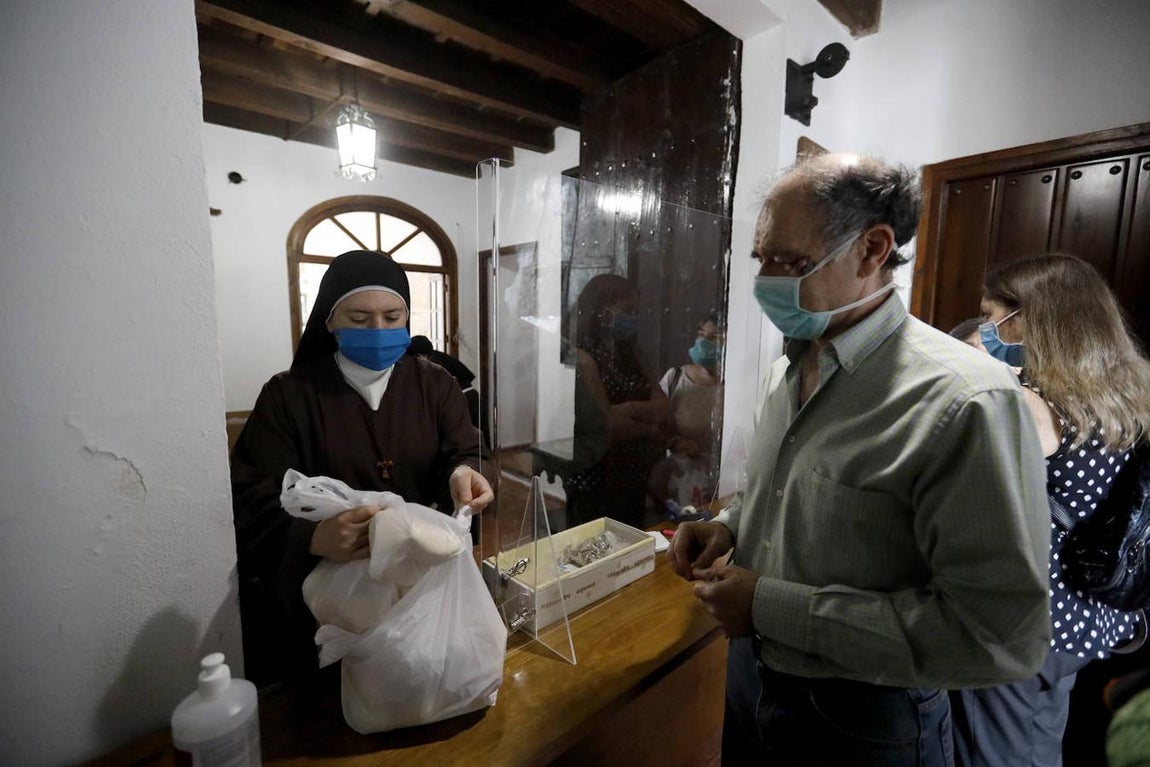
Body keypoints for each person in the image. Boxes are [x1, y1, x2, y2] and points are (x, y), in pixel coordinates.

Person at [668, 153, 1052, 766]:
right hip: (751, 675)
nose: (766, 279)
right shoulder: (786, 371)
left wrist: (768, 605)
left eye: (789, 262)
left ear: (873, 250)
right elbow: (782, 493)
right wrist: (728, 528)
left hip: (864, 714)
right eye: (760, 258)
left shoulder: (963, 400)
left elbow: (999, 636)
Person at [231, 250, 494, 687]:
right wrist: (312, 536)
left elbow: (466, 451)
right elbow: (248, 493)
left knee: (423, 680)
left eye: (393, 317)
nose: (379, 330)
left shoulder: (435, 384)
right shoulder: (289, 395)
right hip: (327, 593)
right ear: (329, 321)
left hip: (420, 578)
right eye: (359, 318)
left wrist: (462, 472)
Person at [948, 254, 1150, 767]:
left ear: (1028, 318)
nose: (988, 327)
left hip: (1027, 619)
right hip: (1087, 613)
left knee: (993, 755)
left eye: (992, 315)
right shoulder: (1124, 394)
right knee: (1039, 743)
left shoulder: (1032, 405)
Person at [564, 273, 668, 529]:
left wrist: (626, 411)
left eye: (636, 310)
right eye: (628, 310)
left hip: (634, 471)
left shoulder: (632, 353)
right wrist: (649, 425)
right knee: (591, 553)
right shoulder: (581, 356)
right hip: (595, 476)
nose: (634, 317)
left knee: (632, 551)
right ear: (601, 311)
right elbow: (605, 426)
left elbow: (664, 407)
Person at [650, 313, 725, 512]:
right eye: (701, 335)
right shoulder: (675, 378)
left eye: (715, 338)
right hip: (677, 485)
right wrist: (676, 442)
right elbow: (656, 427)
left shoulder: (737, 387)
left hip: (722, 487)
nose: (703, 342)